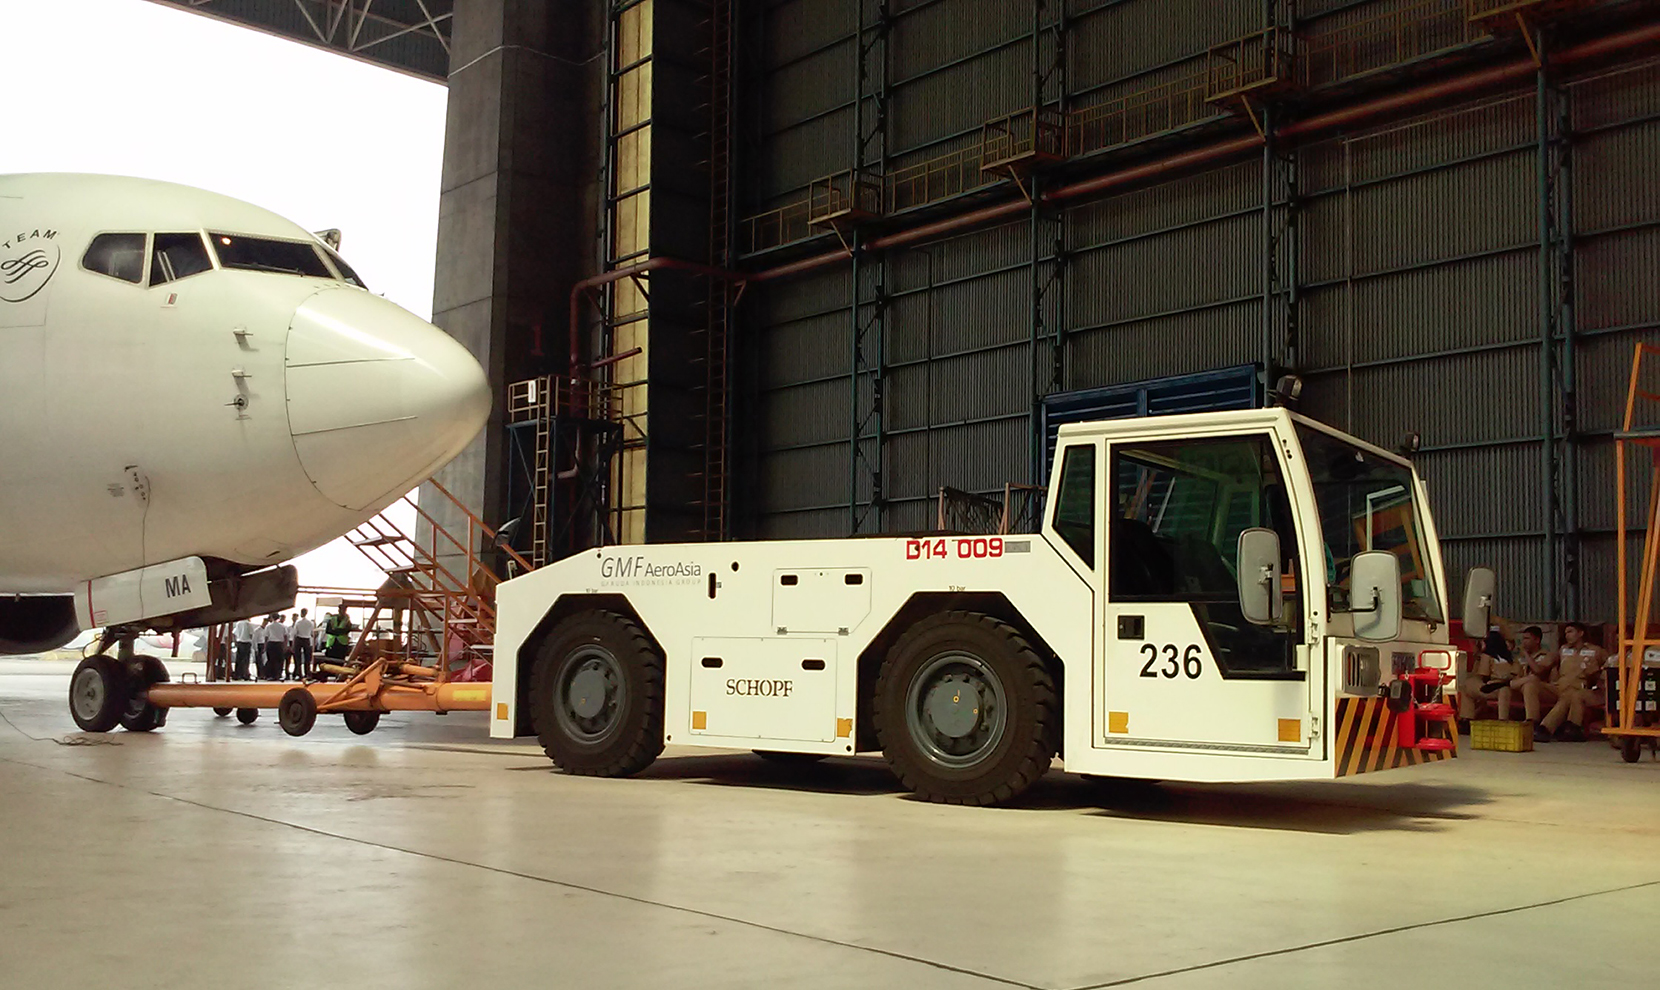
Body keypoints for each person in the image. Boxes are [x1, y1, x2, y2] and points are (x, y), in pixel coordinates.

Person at [1535, 622, 1608, 742]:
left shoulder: (1596, 651)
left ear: (1580, 633)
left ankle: (1545, 728)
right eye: (1565, 633)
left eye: (1570, 632)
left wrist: (1596, 676)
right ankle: (1534, 722)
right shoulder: (1563, 649)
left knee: (1569, 696)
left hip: (1578, 688)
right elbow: (1546, 664)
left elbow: (1607, 667)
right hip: (1559, 687)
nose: (1567, 635)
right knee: (1533, 684)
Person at [1458, 630, 1520, 725]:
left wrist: (1478, 658)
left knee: (1467, 686)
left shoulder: (1487, 656)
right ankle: (1502, 721)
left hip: (1493, 687)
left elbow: (1483, 675)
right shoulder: (1511, 658)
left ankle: (1466, 719)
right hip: (1511, 688)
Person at [263, 613, 290, 681]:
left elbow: (266, 637)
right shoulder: (283, 626)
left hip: (271, 643)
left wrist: (265, 646)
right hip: (279, 644)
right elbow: (285, 636)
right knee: (280, 660)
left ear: (271, 618)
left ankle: (271, 675)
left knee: (271, 660)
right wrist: (285, 645)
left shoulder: (268, 626)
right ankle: (278, 674)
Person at [292, 608, 314, 680]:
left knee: (298, 658)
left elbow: (295, 633)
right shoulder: (310, 622)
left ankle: (299, 674)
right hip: (307, 639)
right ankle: (307, 673)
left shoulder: (298, 622)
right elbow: (312, 633)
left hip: (299, 638)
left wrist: (293, 643)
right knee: (307, 658)